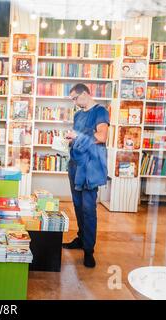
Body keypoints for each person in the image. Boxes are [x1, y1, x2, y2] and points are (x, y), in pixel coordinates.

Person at [62, 83, 110, 268]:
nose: (74, 102)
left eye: (75, 98)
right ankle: (81, 239)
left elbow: (102, 136)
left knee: (89, 209)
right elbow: (79, 136)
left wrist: (78, 136)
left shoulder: (100, 111)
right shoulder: (77, 114)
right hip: (75, 165)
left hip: (91, 167)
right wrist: (70, 138)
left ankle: (89, 250)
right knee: (78, 206)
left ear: (86, 94)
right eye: (72, 99)